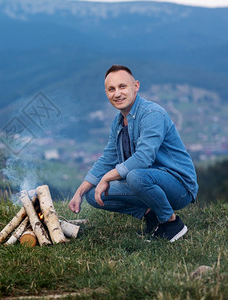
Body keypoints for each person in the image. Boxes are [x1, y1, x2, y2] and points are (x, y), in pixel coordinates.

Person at [68, 65, 198, 242]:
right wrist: (80, 191)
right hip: (148, 182)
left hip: (179, 187)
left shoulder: (152, 114)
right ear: (106, 93)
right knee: (92, 194)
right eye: (111, 89)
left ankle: (171, 224)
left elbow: (143, 159)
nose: (117, 93)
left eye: (123, 86)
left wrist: (106, 178)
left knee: (135, 176)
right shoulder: (119, 121)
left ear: (136, 86)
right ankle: (153, 217)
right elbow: (108, 158)